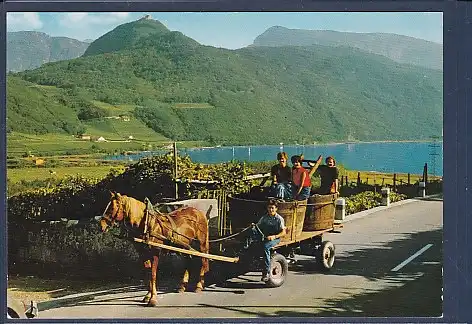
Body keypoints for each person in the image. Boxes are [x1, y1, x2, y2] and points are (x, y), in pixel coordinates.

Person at [246, 199, 286, 282]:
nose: (270, 210)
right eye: (269, 208)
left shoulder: (279, 219)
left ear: (276, 209)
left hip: (275, 239)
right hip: (264, 236)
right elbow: (258, 226)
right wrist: (254, 226)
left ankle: (266, 272)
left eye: (272, 208)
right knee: (252, 238)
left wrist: (274, 236)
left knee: (265, 247)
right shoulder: (265, 217)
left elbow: (283, 232)